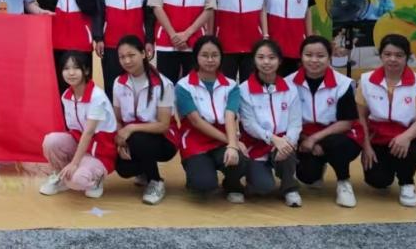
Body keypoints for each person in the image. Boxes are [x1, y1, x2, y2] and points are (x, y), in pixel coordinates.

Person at [357, 34, 416, 207]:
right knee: (377, 181)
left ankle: (407, 183)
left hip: (411, 138)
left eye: (399, 55)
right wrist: (366, 147)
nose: (392, 59)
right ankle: (389, 168)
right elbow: (360, 116)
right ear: (380, 55)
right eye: (387, 54)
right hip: (378, 138)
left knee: (411, 153)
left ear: (407, 57)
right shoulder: (366, 81)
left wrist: (406, 137)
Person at [291, 36, 362, 208]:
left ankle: (344, 182)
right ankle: (318, 168)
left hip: (339, 135)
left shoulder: (343, 84)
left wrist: (315, 140)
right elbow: (286, 121)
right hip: (303, 135)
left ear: (329, 57)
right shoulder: (288, 83)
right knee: (307, 176)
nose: (314, 60)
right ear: (301, 57)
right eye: (308, 55)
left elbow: (346, 123)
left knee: (337, 145)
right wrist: (305, 139)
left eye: (320, 56)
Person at [175, 36, 247, 203]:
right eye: (204, 55)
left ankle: (232, 184)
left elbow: (230, 116)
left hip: (223, 135)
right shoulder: (183, 86)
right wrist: (232, 142)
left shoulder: (231, 85)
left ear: (221, 57)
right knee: (204, 185)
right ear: (196, 57)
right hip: (195, 140)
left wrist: (233, 146)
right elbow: (196, 121)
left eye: (215, 55)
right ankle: (196, 175)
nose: (210, 60)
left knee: (241, 160)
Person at [39, 51, 117, 198]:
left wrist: (74, 163)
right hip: (80, 145)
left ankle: (95, 179)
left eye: (76, 68)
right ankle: (61, 175)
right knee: (50, 141)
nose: (71, 73)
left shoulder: (97, 97)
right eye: (66, 68)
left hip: (100, 152)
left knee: (78, 180)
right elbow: (73, 130)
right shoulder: (66, 96)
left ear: (86, 71)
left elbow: (88, 133)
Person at [111, 35, 178, 205]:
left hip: (163, 141)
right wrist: (120, 140)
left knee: (138, 139)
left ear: (143, 54)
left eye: (131, 55)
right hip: (132, 137)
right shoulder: (118, 83)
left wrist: (131, 129)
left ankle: (155, 181)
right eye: (122, 57)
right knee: (123, 169)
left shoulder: (164, 84)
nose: (127, 61)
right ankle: (143, 171)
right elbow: (117, 119)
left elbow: (163, 125)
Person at [238, 40, 303, 207]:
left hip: (283, 141)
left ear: (280, 61)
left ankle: (289, 188)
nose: (266, 62)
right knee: (263, 188)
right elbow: (249, 124)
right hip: (256, 143)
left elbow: (295, 122)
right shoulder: (244, 89)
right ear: (254, 60)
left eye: (272, 57)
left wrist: (288, 142)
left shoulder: (290, 88)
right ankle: (253, 180)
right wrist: (273, 139)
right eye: (261, 57)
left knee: (287, 152)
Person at [93, 0, 153, 101]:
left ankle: (138, 115)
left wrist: (149, 40)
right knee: (112, 85)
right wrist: (98, 38)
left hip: (137, 42)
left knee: (139, 85)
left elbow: (149, 14)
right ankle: (113, 116)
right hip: (111, 42)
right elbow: (98, 11)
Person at [36, 0, 97, 94]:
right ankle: (62, 109)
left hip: (81, 41)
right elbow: (42, 9)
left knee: (83, 80)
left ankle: (84, 107)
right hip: (56, 41)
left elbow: (91, 8)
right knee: (60, 83)